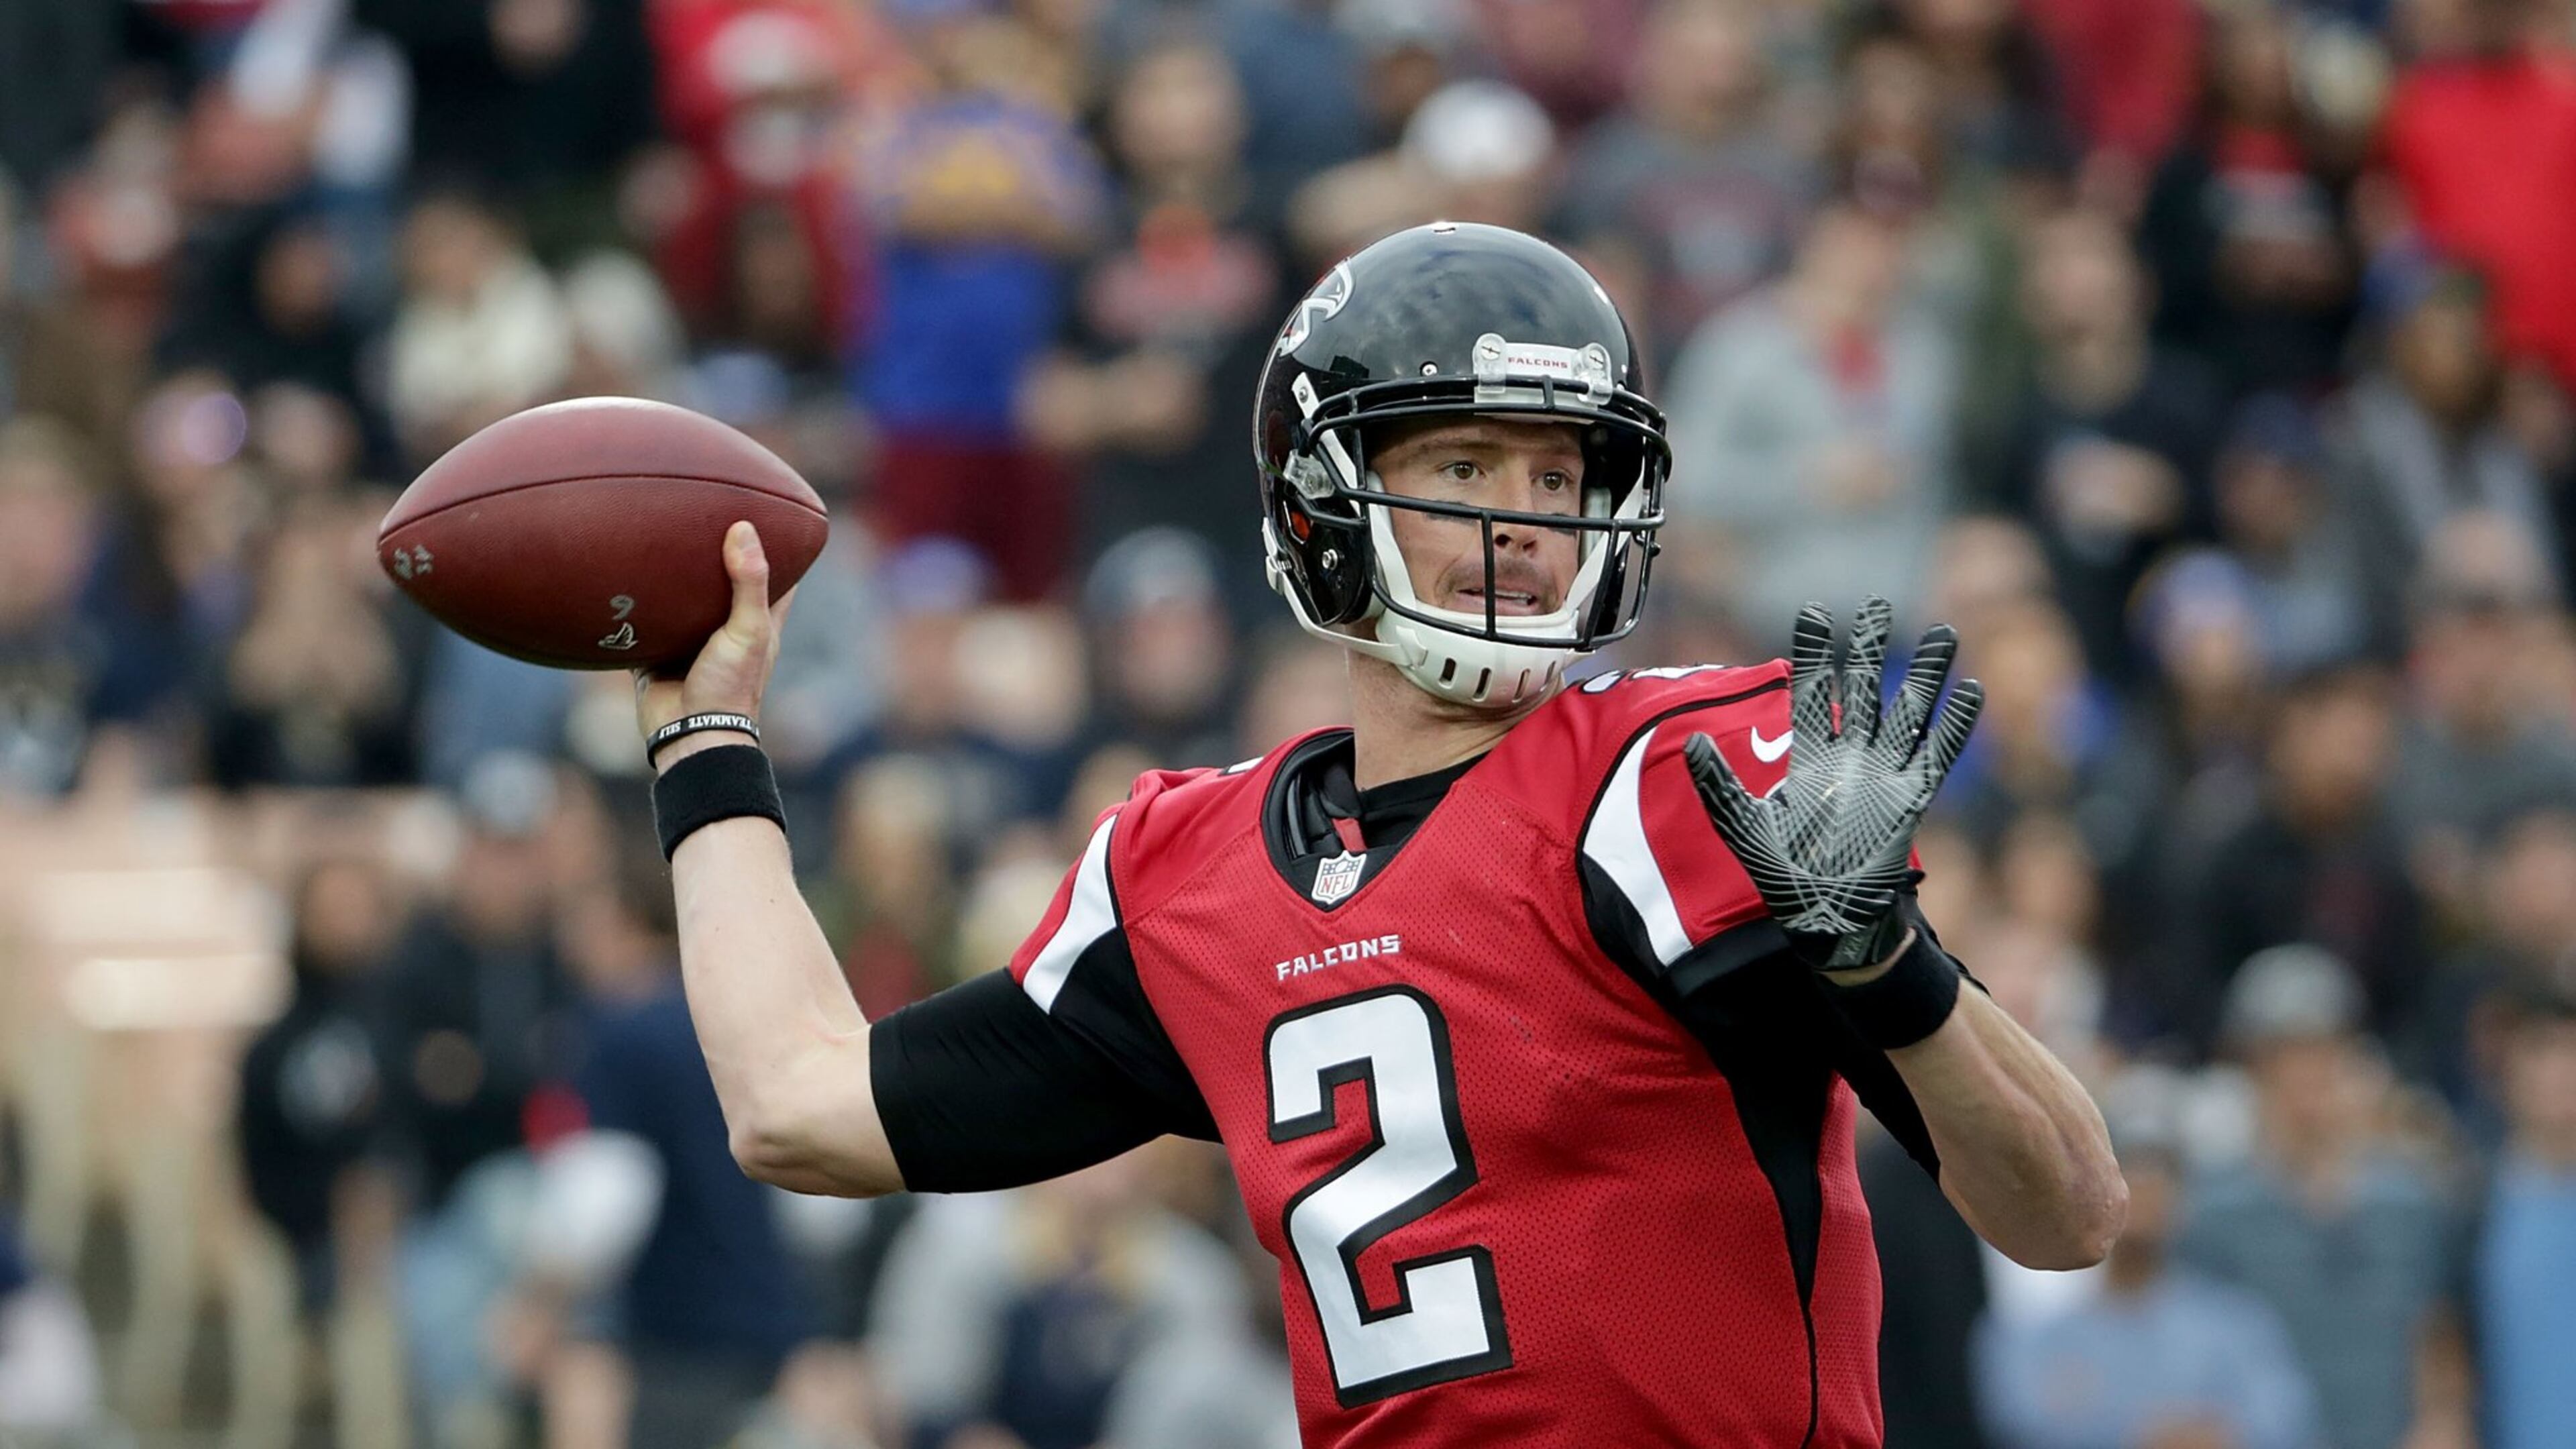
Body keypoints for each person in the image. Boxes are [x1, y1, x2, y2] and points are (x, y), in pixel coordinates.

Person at [631, 223, 2123, 1447]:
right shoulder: (1185, 871)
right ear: (1324, 505)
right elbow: (798, 1108)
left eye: (1560, 475)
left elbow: (2066, 1213)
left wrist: (1888, 968)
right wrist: (707, 744)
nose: (1529, 520)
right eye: (1467, 468)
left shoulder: (1680, 779)